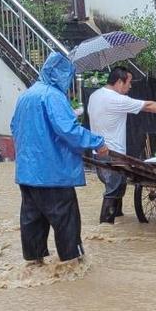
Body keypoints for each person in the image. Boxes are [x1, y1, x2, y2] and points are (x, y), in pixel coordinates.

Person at [10, 52, 109, 263]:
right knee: (66, 221)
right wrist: (97, 143)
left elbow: (15, 127)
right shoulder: (53, 96)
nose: (69, 81)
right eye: (69, 76)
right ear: (60, 74)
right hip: (53, 174)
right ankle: (72, 265)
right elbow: (70, 131)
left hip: (27, 175)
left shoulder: (26, 96)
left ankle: (34, 264)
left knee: (32, 221)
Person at [87, 66, 156, 224]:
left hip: (98, 154)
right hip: (113, 156)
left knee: (117, 187)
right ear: (119, 82)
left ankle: (118, 221)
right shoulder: (116, 99)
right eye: (129, 82)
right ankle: (105, 230)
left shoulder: (95, 95)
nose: (130, 86)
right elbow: (148, 106)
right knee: (113, 192)